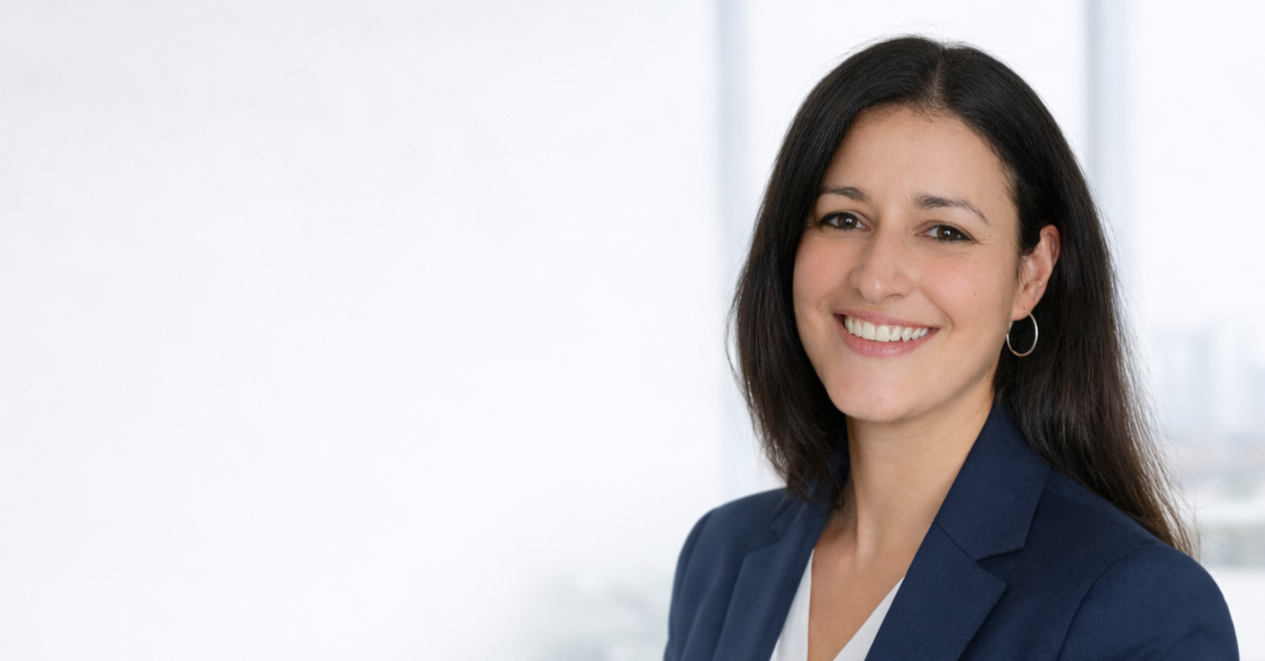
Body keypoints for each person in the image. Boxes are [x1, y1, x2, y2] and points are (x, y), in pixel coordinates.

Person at [664, 36, 1238, 661]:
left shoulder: (1138, 607)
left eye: (944, 231)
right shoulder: (720, 555)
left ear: (1031, 275)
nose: (877, 277)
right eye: (844, 219)